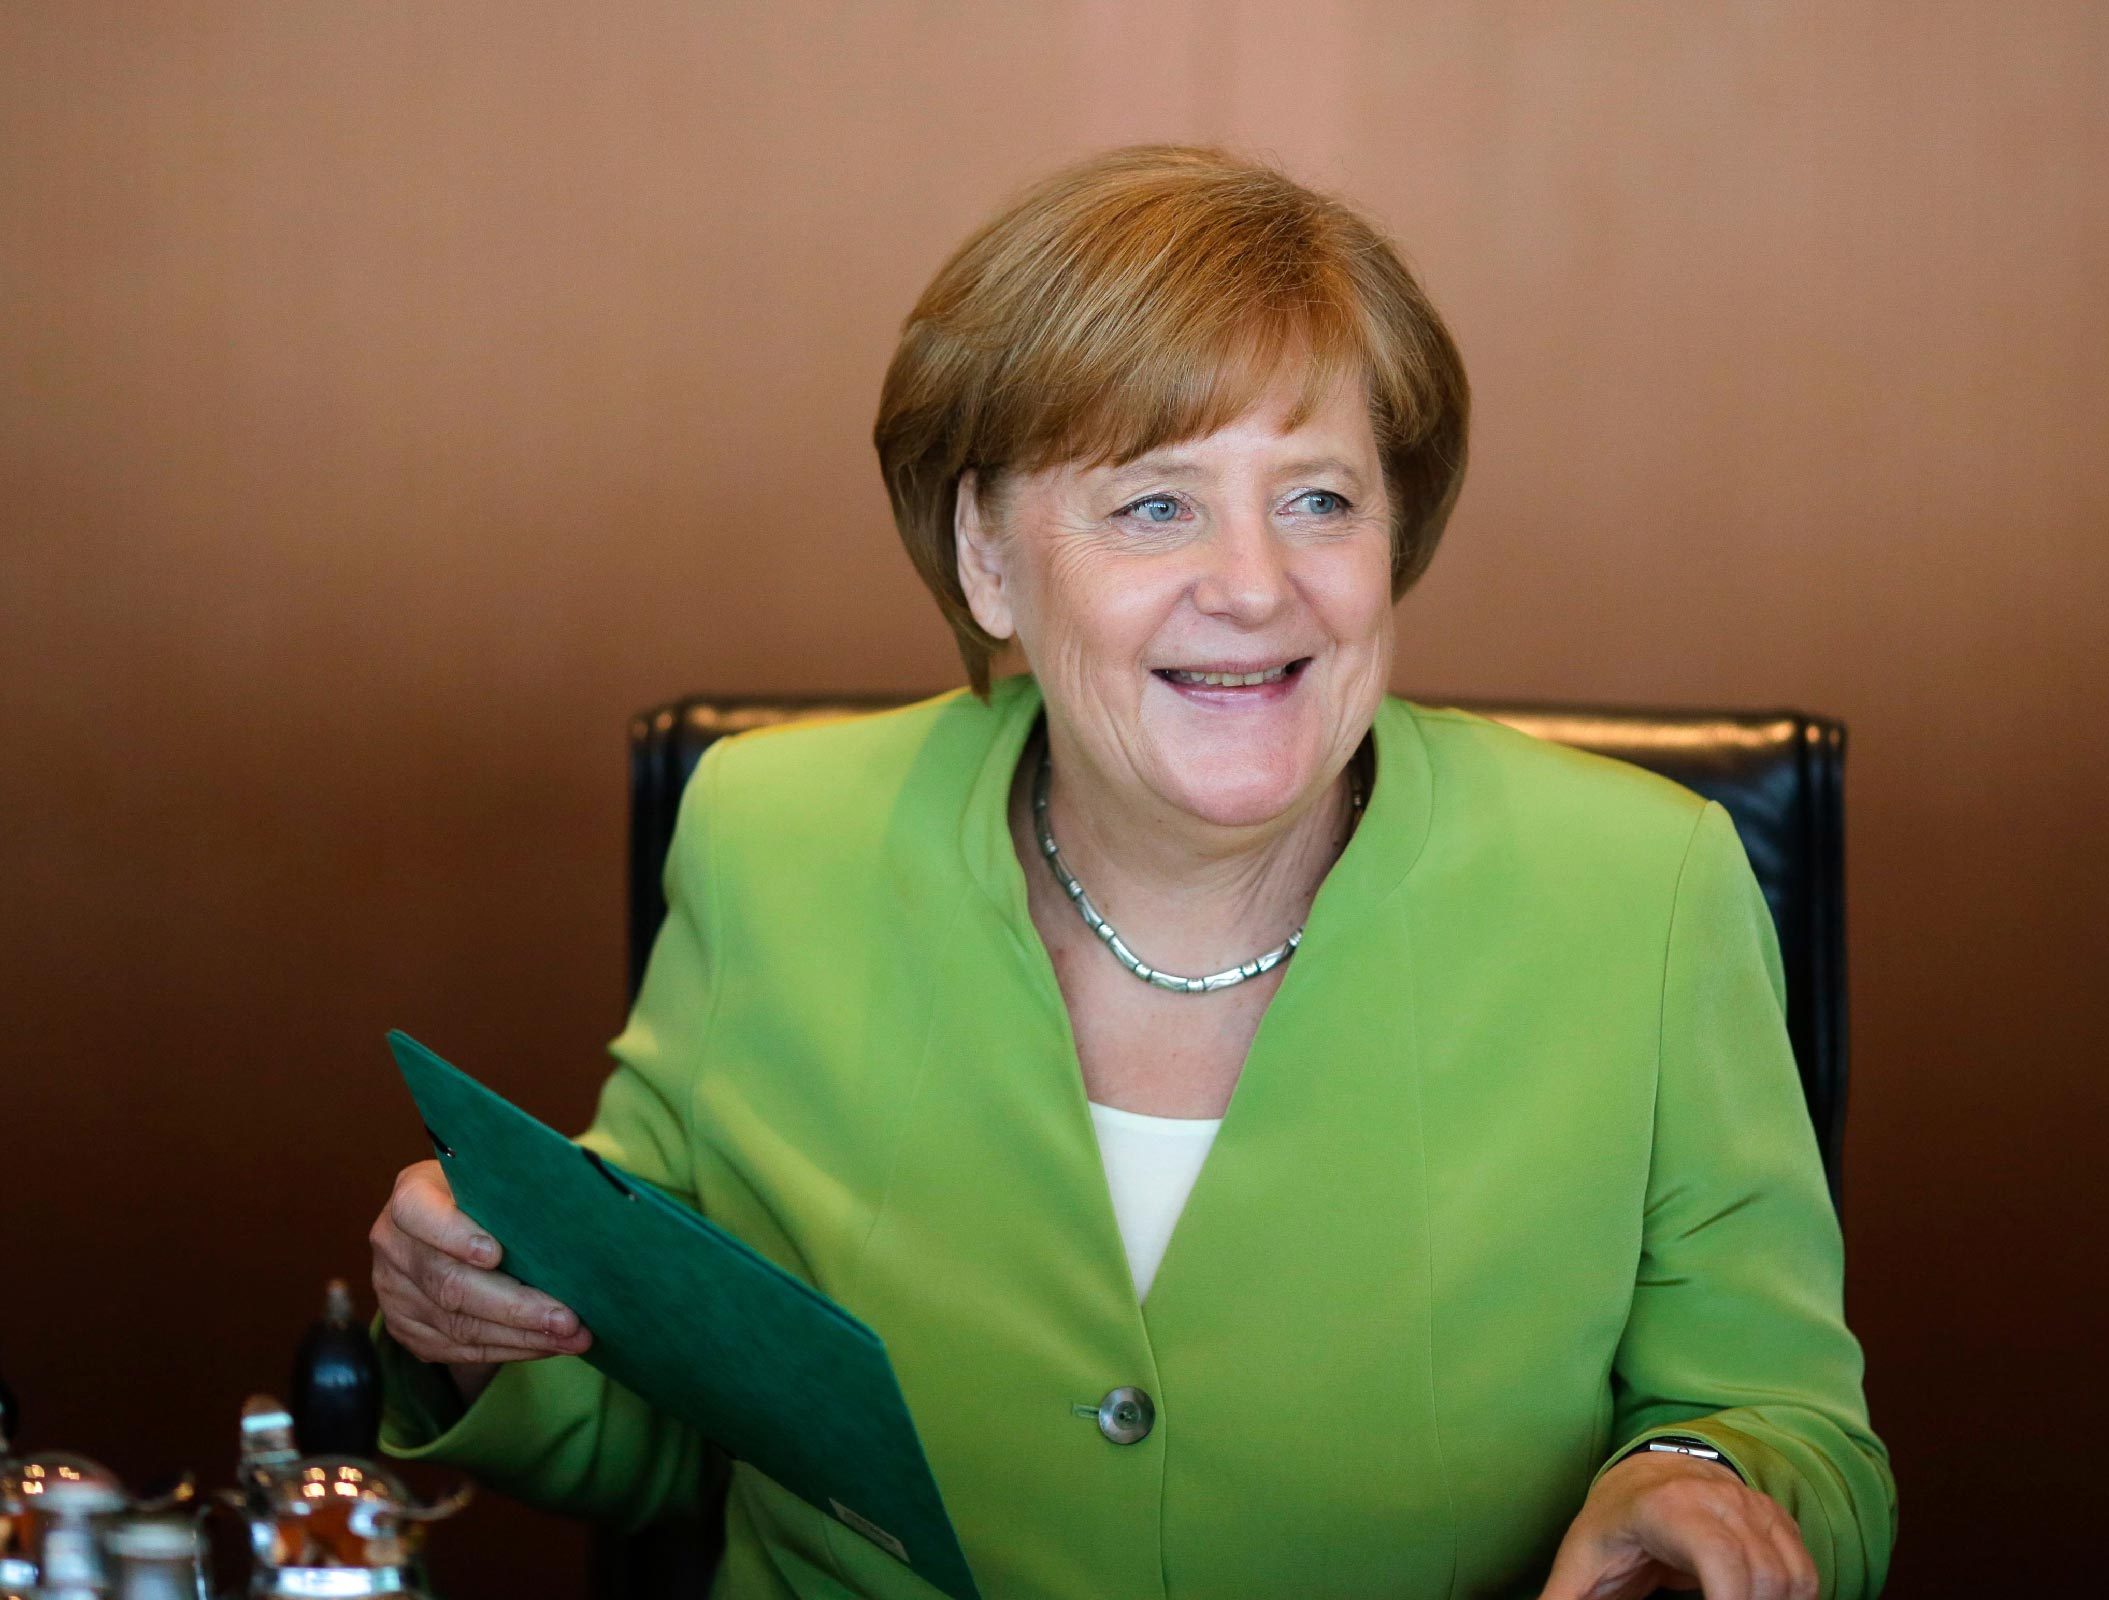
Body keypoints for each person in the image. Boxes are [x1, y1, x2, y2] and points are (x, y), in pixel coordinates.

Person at [368, 145, 1895, 1600]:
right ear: (987, 557)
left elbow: (1794, 1432)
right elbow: (665, 1418)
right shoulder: (775, 837)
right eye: (1156, 505)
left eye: (1319, 499)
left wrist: (1696, 1475)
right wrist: (478, 1313)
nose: (1254, 585)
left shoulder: (1645, 890)